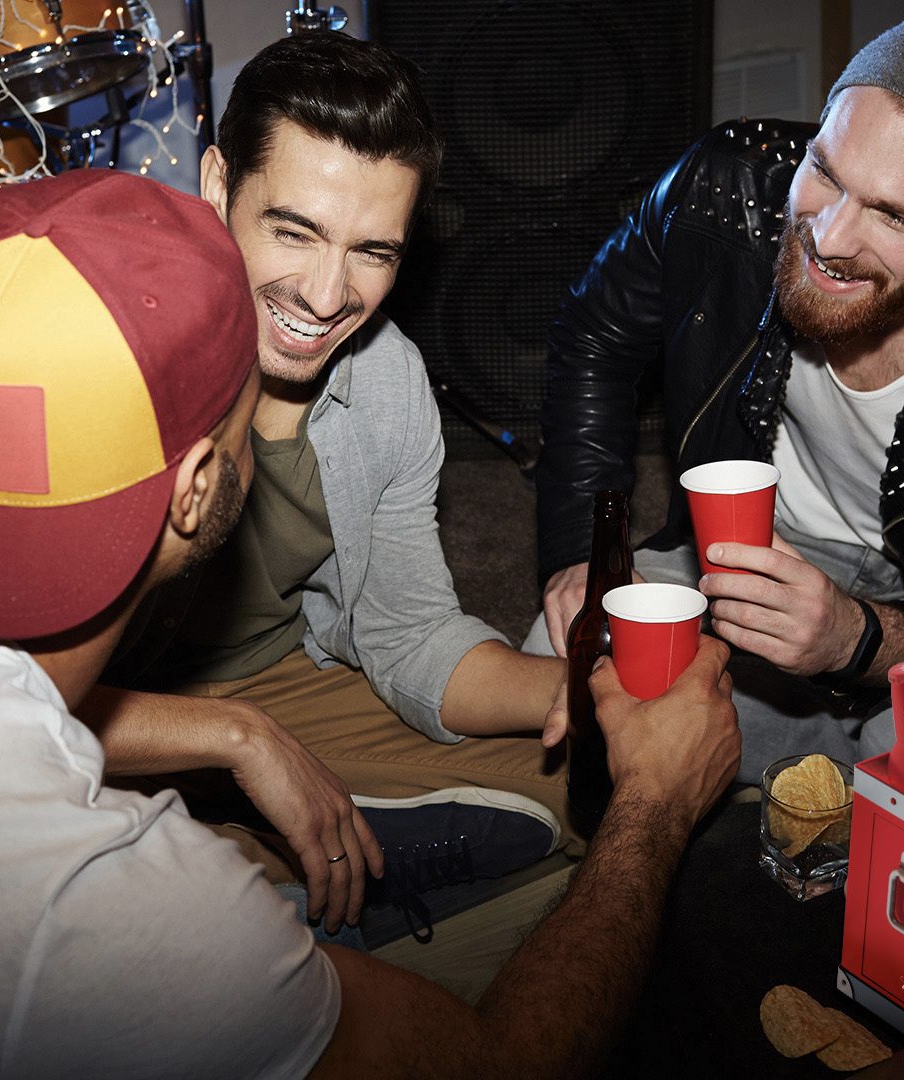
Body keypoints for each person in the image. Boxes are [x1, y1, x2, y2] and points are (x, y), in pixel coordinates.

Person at [0, 168, 744, 1076]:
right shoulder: (95, 899)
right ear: (201, 486)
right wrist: (651, 806)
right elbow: (493, 1069)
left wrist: (228, 730)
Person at [531, 0, 904, 779]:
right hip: (746, 541)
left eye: (894, 217)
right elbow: (596, 336)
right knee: (557, 666)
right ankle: (800, 762)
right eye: (824, 170)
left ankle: (815, 765)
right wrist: (581, 556)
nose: (829, 236)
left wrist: (854, 638)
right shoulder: (724, 186)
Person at [85, 30, 572, 934]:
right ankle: (251, 870)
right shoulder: (99, 354)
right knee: (131, 920)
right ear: (219, 185)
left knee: (593, 801)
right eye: (293, 232)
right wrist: (237, 741)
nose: (324, 295)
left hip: (275, 679)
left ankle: (267, 861)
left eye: (372, 252)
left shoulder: (387, 381)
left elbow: (408, 634)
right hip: (95, 707)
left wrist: (576, 693)